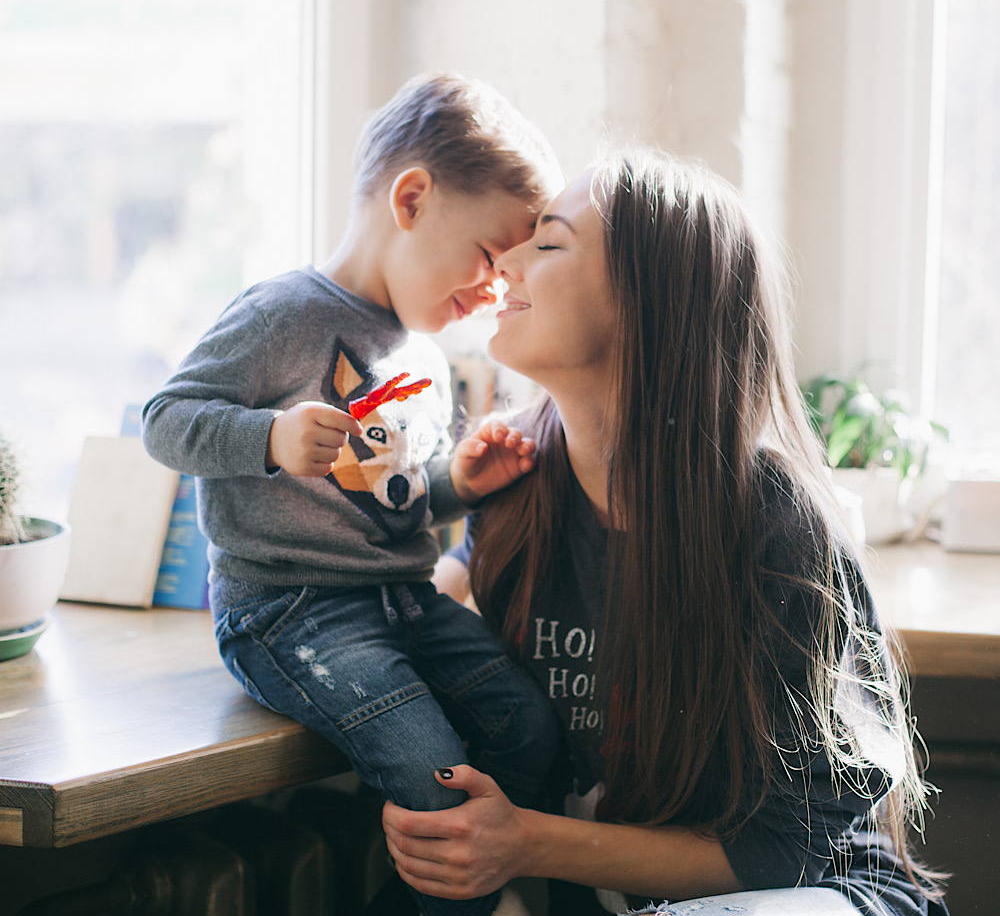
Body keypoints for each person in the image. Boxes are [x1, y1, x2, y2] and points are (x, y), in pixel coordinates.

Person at [382, 149, 949, 916]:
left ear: (651, 302)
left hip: (813, 895)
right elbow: (430, 599)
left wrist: (525, 843)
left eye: (547, 243)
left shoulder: (779, 530)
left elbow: (784, 846)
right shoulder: (514, 497)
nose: (504, 262)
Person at [142, 73, 565, 916]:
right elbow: (165, 419)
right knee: (435, 778)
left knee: (531, 734)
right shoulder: (282, 315)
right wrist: (268, 438)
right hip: (286, 609)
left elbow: (397, 502)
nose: (495, 292)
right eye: (490, 257)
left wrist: (461, 484)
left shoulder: (428, 359)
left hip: (401, 599)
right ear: (411, 198)